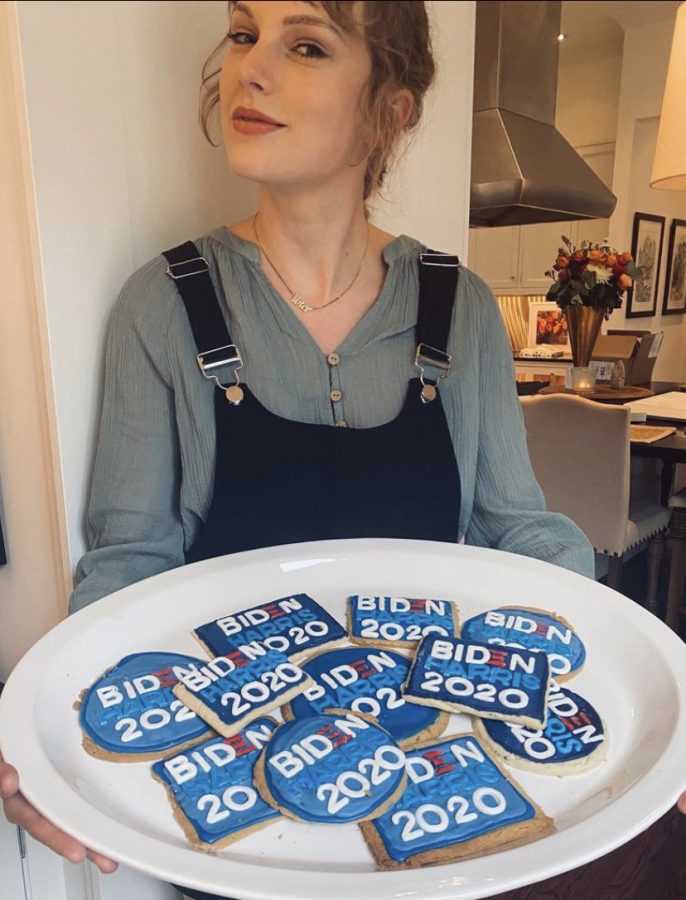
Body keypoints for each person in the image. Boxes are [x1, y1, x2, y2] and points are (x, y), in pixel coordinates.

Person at [5, 1, 661, 895]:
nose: (251, 69)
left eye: (305, 45)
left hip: (430, 786)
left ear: (391, 109)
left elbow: (524, 530)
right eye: (243, 35)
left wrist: (643, 678)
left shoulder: (457, 305)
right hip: (249, 810)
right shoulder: (162, 304)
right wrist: (48, 738)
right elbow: (128, 565)